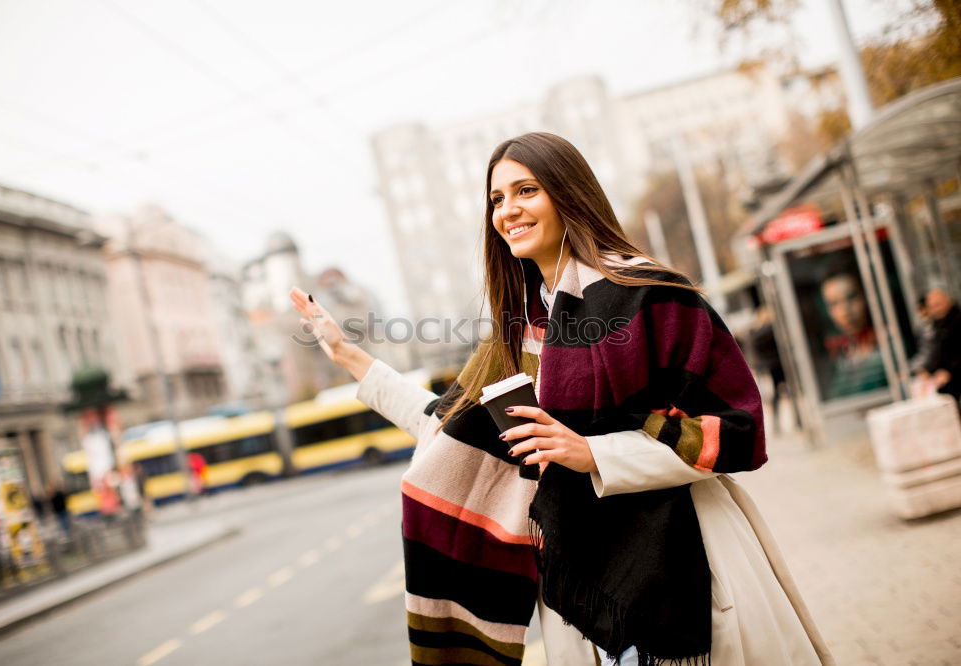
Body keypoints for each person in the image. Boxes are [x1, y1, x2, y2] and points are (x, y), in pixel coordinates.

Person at [290, 133, 832, 665]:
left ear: (567, 193)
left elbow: (735, 431)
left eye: (526, 191)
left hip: (685, 575)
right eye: (497, 199)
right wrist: (350, 356)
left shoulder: (652, 295)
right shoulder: (517, 333)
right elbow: (451, 429)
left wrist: (594, 453)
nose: (508, 211)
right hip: (580, 600)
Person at [819, 261, 887, 399]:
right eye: (834, 304)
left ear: (866, 296)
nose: (845, 311)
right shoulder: (839, 355)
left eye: (851, 297)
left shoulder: (888, 342)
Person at [919, 287, 961, 402]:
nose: (936, 310)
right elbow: (936, 353)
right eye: (932, 307)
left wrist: (949, 371)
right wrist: (927, 370)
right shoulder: (936, 326)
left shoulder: (956, 322)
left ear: (949, 301)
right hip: (944, 381)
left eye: (938, 305)